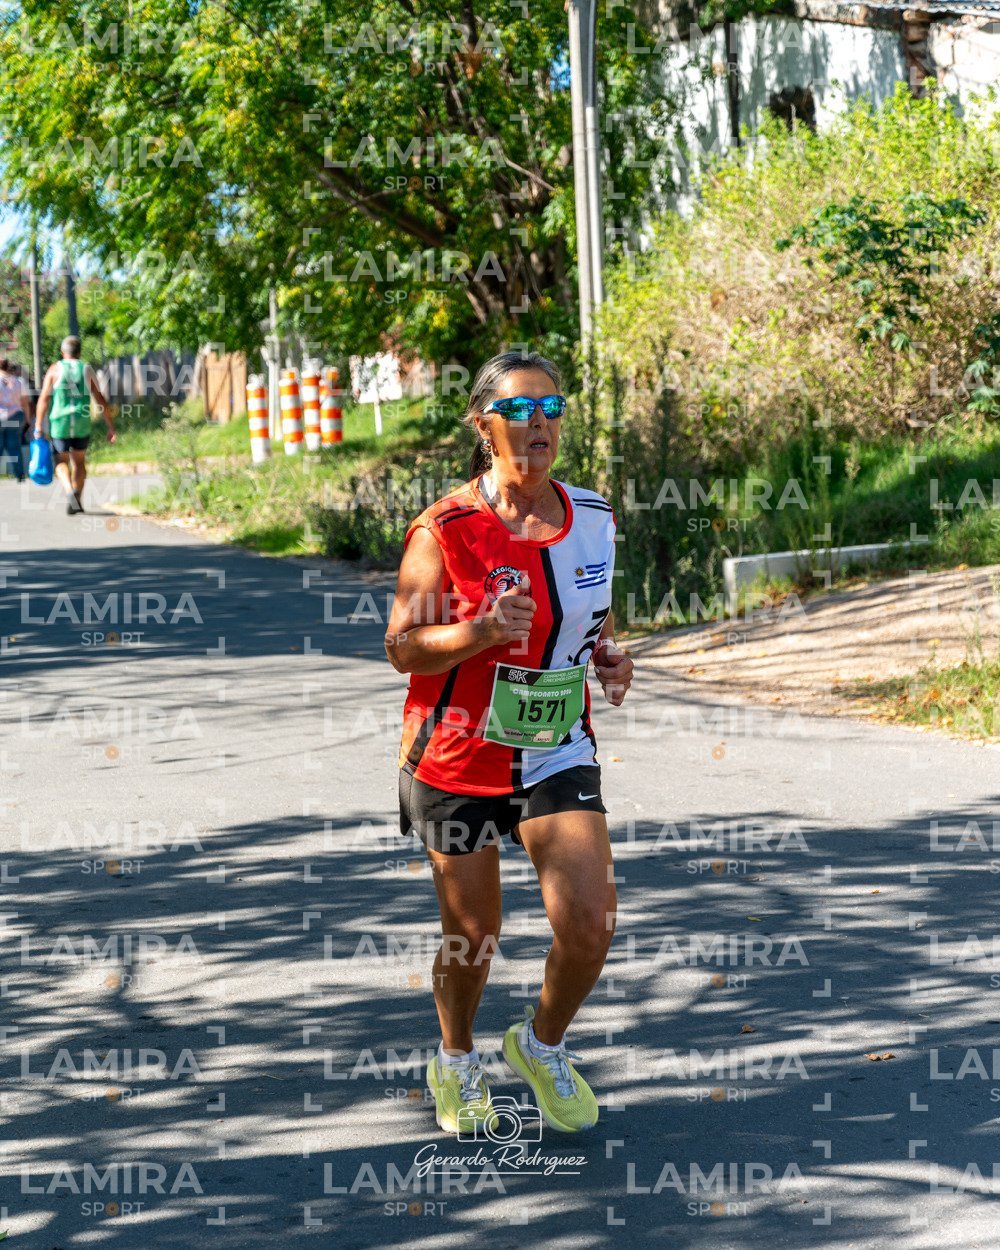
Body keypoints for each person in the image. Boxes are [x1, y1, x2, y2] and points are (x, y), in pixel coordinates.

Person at [384, 350, 635, 1136]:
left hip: (556, 742)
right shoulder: (447, 528)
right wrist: (483, 630)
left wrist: (608, 656)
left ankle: (539, 1042)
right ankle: (455, 1057)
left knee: (590, 924)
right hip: (458, 753)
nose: (538, 426)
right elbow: (402, 645)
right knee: (474, 937)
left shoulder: (593, 516)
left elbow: (587, 617)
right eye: (520, 412)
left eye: (551, 410)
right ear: (483, 426)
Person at [33, 336, 115, 513]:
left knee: (60, 461)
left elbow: (44, 400)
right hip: (81, 422)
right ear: (79, 352)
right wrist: (111, 426)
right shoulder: (86, 369)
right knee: (79, 462)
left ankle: (70, 490)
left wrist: (38, 425)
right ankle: (77, 496)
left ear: (63, 352)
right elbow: (100, 399)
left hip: (60, 424)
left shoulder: (55, 370)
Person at [0, 358, 31, 482]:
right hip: (16, 416)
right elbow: (25, 402)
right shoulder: (19, 382)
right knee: (14, 446)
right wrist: (28, 418)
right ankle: (20, 475)